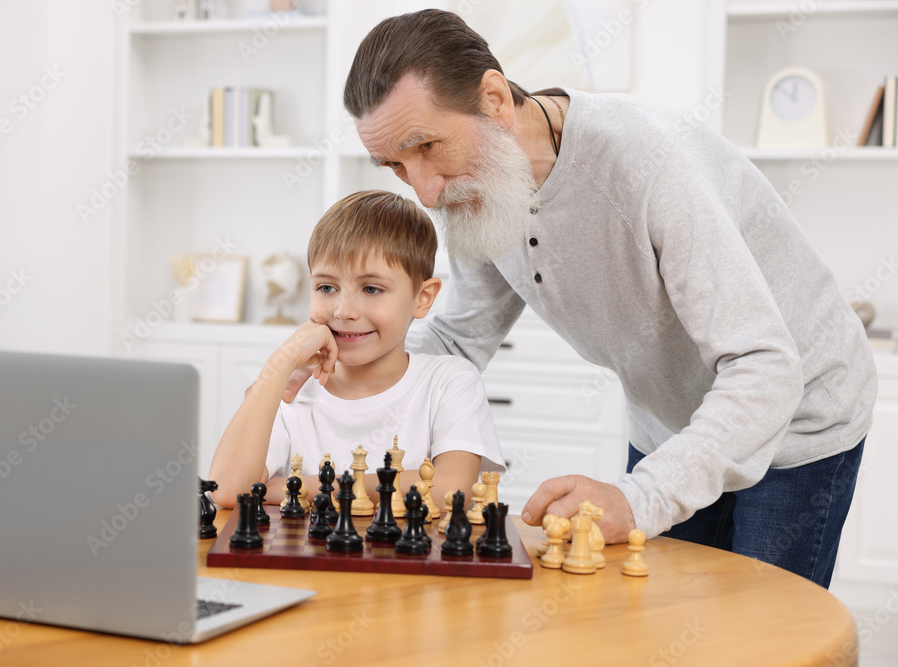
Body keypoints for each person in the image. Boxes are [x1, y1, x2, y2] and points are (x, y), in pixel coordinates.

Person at [302, 8, 874, 588]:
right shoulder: (480, 187)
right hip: (672, 424)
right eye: (396, 165)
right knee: (666, 623)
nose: (424, 192)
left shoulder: (647, 165)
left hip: (797, 414)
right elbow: (459, 336)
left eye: (426, 145)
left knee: (760, 638)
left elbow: (764, 367)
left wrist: (642, 496)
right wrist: (348, 364)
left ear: (495, 99)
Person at [208, 189, 504, 510]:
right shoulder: (290, 388)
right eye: (326, 287)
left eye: (372, 288)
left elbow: (449, 488)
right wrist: (281, 363)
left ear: (423, 298)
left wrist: (287, 488)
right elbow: (227, 491)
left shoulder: (450, 380)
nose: (343, 311)